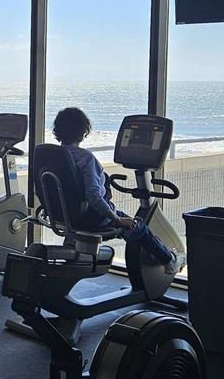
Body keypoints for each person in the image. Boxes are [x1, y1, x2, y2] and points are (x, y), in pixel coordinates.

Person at [52, 107, 186, 275]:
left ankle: (72, 248)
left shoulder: (53, 156)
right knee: (136, 225)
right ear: (83, 132)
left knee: (126, 223)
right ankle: (169, 260)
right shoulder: (86, 158)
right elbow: (94, 197)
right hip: (92, 217)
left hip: (65, 215)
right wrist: (117, 219)